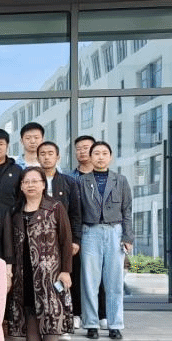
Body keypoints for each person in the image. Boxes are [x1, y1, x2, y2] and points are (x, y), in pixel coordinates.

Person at [9, 167, 73, 341]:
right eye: (26, 182)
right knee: (31, 320)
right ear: (21, 186)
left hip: (50, 274)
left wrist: (65, 270)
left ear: (44, 184)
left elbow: (65, 240)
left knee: (50, 318)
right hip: (24, 274)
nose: (31, 185)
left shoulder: (54, 207)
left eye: (35, 181)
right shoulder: (16, 212)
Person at [77, 141, 132, 340]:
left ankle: (114, 324)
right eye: (96, 153)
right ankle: (91, 324)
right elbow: (77, 212)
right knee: (89, 281)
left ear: (110, 157)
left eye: (104, 153)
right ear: (90, 157)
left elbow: (127, 211)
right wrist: (77, 238)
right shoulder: (82, 181)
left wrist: (128, 237)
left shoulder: (121, 180)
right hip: (90, 232)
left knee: (114, 282)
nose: (100, 157)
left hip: (114, 232)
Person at [38, 141, 84, 328]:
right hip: (40, 238)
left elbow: (76, 213)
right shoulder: (32, 180)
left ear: (58, 157)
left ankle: (74, 313)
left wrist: (76, 240)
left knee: (68, 274)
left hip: (63, 238)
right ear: (38, 157)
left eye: (50, 153)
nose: (46, 157)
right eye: (43, 153)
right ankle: (47, 313)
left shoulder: (69, 182)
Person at [70, 135, 104, 328]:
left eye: (86, 148)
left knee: (99, 274)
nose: (82, 151)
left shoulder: (104, 178)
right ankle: (76, 312)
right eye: (79, 148)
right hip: (76, 232)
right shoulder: (70, 178)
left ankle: (101, 314)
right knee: (75, 273)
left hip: (99, 231)